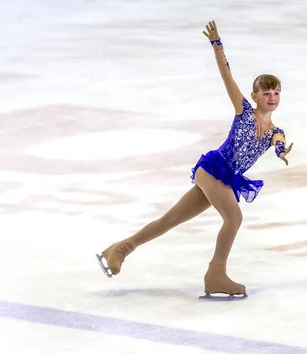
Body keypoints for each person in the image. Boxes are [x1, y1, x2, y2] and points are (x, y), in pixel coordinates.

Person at [96, 20, 293, 298]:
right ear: (255, 96)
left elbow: (278, 142)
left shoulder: (276, 131)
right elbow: (228, 77)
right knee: (233, 217)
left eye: (276, 93)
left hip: (224, 179)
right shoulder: (244, 110)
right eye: (266, 93)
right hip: (213, 169)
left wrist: (281, 150)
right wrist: (217, 45)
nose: (272, 97)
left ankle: (121, 248)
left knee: (169, 220)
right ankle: (216, 273)